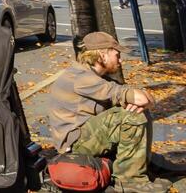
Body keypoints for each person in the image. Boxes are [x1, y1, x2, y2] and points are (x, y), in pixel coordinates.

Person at [46, 31, 175, 192]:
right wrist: (142, 102)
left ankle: (142, 165)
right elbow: (140, 98)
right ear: (102, 55)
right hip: (74, 146)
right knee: (131, 115)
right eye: (117, 55)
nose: (120, 61)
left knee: (136, 110)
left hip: (85, 136)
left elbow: (143, 98)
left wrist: (144, 102)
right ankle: (130, 183)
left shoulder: (95, 75)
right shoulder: (82, 78)